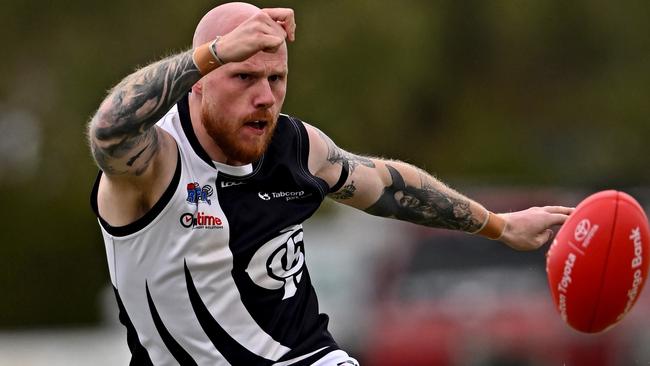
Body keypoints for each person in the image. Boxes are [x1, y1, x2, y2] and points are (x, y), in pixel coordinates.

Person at [87, 2, 572, 365]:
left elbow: (387, 185)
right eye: (242, 76)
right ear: (199, 80)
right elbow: (108, 130)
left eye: (276, 79)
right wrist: (211, 53)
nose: (264, 97)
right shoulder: (154, 162)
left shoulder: (294, 147)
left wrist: (499, 225)